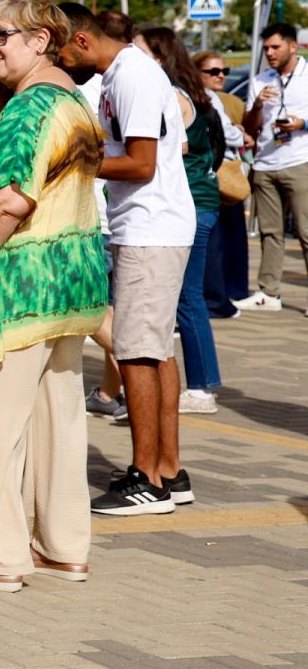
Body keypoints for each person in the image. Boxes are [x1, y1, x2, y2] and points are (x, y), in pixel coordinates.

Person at [0, 0, 105, 591]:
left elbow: (9, 200)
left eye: (3, 35)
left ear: (41, 41)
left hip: (15, 286)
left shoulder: (29, 108)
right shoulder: (72, 100)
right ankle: (61, 545)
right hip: (68, 283)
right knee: (58, 420)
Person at [57, 5, 193, 514]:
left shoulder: (132, 74)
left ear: (82, 40)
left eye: (61, 52)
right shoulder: (122, 73)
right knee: (154, 351)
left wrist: (74, 163)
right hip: (149, 226)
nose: (60, 62)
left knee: (136, 352)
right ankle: (168, 471)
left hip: (151, 227)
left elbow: (141, 163)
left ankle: (147, 480)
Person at [137, 27, 225, 415]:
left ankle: (202, 388)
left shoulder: (171, 95)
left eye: (139, 51)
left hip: (193, 205)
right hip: (197, 203)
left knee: (188, 299)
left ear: (160, 58)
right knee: (185, 299)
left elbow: (176, 147)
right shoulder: (185, 93)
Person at [237, 21, 308, 312]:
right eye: (266, 48)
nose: (269, 53)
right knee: (269, 231)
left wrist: (303, 123)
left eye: (275, 47)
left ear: (292, 46)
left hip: (300, 161)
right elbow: (249, 126)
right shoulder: (260, 80)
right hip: (266, 163)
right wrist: (256, 105)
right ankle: (269, 292)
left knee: (305, 231)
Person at [196, 52, 250, 318]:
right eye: (214, 71)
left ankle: (228, 292)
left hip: (217, 175)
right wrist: (238, 133)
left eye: (224, 71)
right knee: (217, 240)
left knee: (226, 238)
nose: (221, 76)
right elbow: (227, 134)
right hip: (217, 175)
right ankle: (219, 297)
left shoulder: (214, 98)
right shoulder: (205, 98)